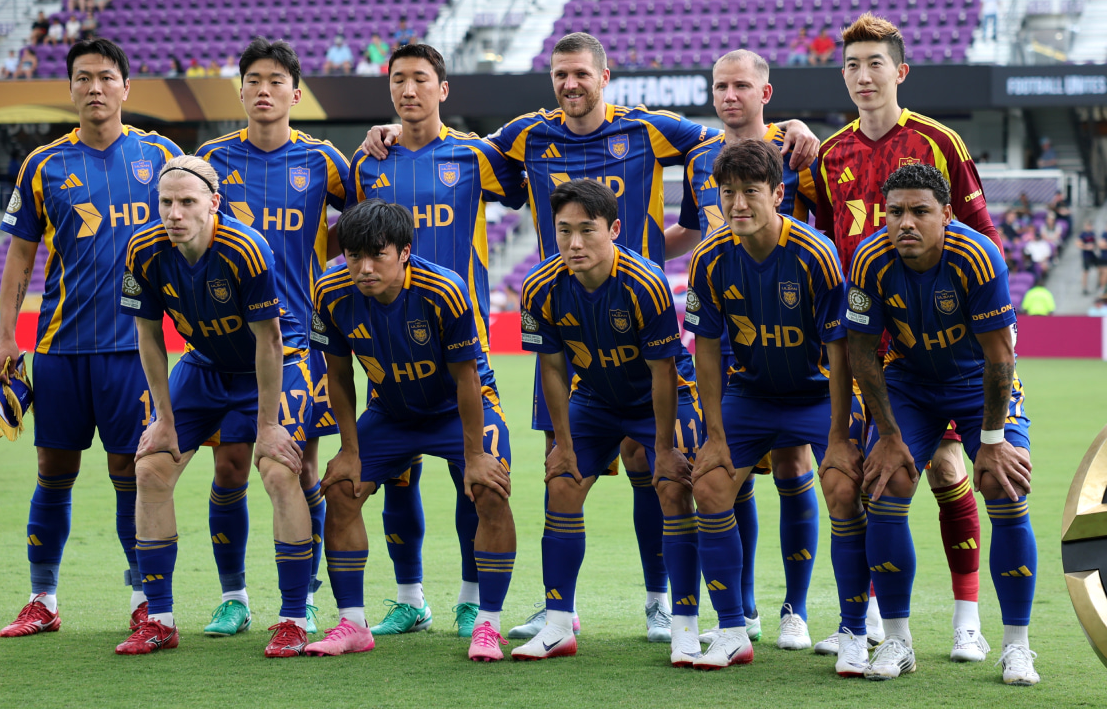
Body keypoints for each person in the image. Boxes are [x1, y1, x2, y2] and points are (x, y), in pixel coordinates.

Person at [361, 32, 819, 641]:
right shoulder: (527, 135)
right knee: (562, 466)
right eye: (561, 74)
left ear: (605, 78)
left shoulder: (649, 129)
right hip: (566, 328)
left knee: (661, 465)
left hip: (641, 322)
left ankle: (665, 603)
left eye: (581, 73)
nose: (571, 84)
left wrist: (789, 128)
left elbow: (732, 139)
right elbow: (455, 150)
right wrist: (394, 131)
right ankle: (561, 609)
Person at [811, 13, 1002, 661]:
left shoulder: (939, 141)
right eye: (852, 65)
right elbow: (824, 247)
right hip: (863, 344)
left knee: (948, 469)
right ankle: (867, 620)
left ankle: (967, 620)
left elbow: (983, 236)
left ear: (901, 71)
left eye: (875, 63)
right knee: (871, 476)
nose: (863, 76)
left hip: (935, 343)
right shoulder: (830, 155)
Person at [0, 38, 182, 639]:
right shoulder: (43, 165)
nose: (94, 87)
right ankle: (42, 598)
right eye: (82, 78)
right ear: (70, 88)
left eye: (105, 77)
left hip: (134, 351)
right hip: (60, 348)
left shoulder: (162, 156)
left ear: (126, 87)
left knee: (131, 472)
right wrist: (6, 336)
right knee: (53, 470)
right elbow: (21, 257)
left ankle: (145, 600)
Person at [346, 43, 526, 639]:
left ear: (442, 89)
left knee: (470, 478)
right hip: (390, 350)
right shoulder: (368, 163)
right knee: (397, 478)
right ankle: (410, 599)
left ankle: (472, 601)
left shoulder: (475, 155)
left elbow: (530, 182)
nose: (409, 89)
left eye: (421, 79)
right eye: (398, 79)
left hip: (459, 344)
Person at [113, 155, 318, 658]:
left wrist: (267, 426)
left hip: (274, 361)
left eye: (187, 201)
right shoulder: (142, 249)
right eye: (166, 202)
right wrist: (163, 419)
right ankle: (160, 619)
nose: (174, 213)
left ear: (213, 204)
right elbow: (148, 335)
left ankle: (294, 618)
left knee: (279, 471)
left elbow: (269, 340)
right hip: (204, 364)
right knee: (150, 469)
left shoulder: (246, 248)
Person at [844, 163, 1039, 686]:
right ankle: (897, 641)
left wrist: (992, 442)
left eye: (919, 211)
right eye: (895, 212)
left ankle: (1017, 647)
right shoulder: (869, 259)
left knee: (1002, 484)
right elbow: (861, 353)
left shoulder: (977, 255)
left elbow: (1000, 358)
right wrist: (888, 436)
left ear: (947, 214)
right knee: (886, 485)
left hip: (979, 383)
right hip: (910, 384)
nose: (905, 222)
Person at [307, 199, 517, 661]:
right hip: (391, 411)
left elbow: (467, 378)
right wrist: (348, 450)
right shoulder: (330, 291)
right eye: (353, 256)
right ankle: (353, 623)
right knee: (340, 488)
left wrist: (475, 456)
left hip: (457, 408)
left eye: (376, 255)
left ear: (404, 252)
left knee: (489, 489)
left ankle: (488, 623)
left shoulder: (444, 289)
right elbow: (338, 375)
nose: (364, 268)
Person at [664, 50, 825, 648]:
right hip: (721, 326)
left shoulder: (797, 148)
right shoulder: (699, 158)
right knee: (728, 471)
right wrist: (624, 249)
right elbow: (690, 230)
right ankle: (746, 609)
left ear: (765, 92)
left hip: (785, 326)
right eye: (720, 86)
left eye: (741, 86)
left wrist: (805, 129)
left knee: (791, 464)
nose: (729, 96)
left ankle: (796, 610)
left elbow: (826, 221)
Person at [683, 139, 864, 673]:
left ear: (778, 195)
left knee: (843, 486)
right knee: (709, 484)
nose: (738, 204)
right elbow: (706, 351)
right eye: (728, 193)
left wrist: (838, 437)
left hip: (817, 392)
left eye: (750, 192)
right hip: (752, 394)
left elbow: (840, 351)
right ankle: (733, 630)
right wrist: (714, 436)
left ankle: (854, 631)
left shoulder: (815, 253)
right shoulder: (709, 257)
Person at [194, 37, 348, 639]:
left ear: (295, 93)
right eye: (254, 80)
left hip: (298, 341)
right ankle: (233, 597)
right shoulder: (210, 159)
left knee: (298, 463)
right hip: (227, 344)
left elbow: (366, 219)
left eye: (276, 81)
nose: (264, 90)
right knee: (230, 464)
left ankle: (302, 596)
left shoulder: (323, 161)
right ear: (240, 91)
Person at [512, 179, 703, 664]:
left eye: (587, 230)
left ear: (614, 229)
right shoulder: (539, 286)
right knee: (562, 484)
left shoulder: (646, 283)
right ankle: (558, 625)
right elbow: (552, 370)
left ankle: (681, 623)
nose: (574, 243)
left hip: (660, 397)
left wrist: (664, 448)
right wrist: (562, 444)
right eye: (564, 231)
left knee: (672, 487)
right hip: (595, 399)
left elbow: (662, 373)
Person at [1079, 220, 1099, 294]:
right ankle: (1084, 287)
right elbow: (1078, 243)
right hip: (1086, 255)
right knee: (1086, 271)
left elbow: (1097, 242)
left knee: (1099, 269)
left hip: (1094, 254)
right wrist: (1086, 247)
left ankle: (1099, 284)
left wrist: (1094, 246)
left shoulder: (1093, 234)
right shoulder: (1083, 234)